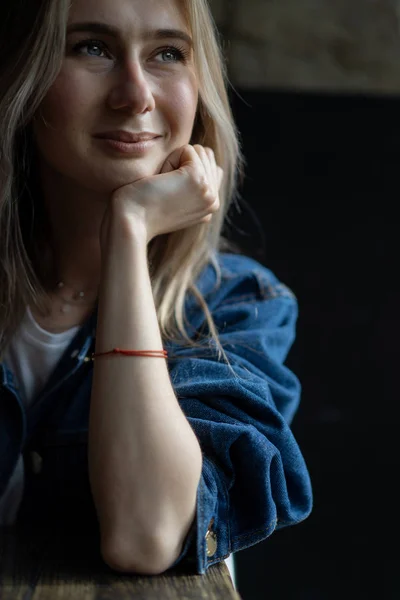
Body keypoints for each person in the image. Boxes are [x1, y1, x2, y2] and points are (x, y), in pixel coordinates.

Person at [0, 0, 312, 579]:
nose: (136, 95)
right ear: (27, 75)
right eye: (92, 47)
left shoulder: (239, 307)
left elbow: (145, 537)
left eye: (167, 53)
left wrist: (129, 228)